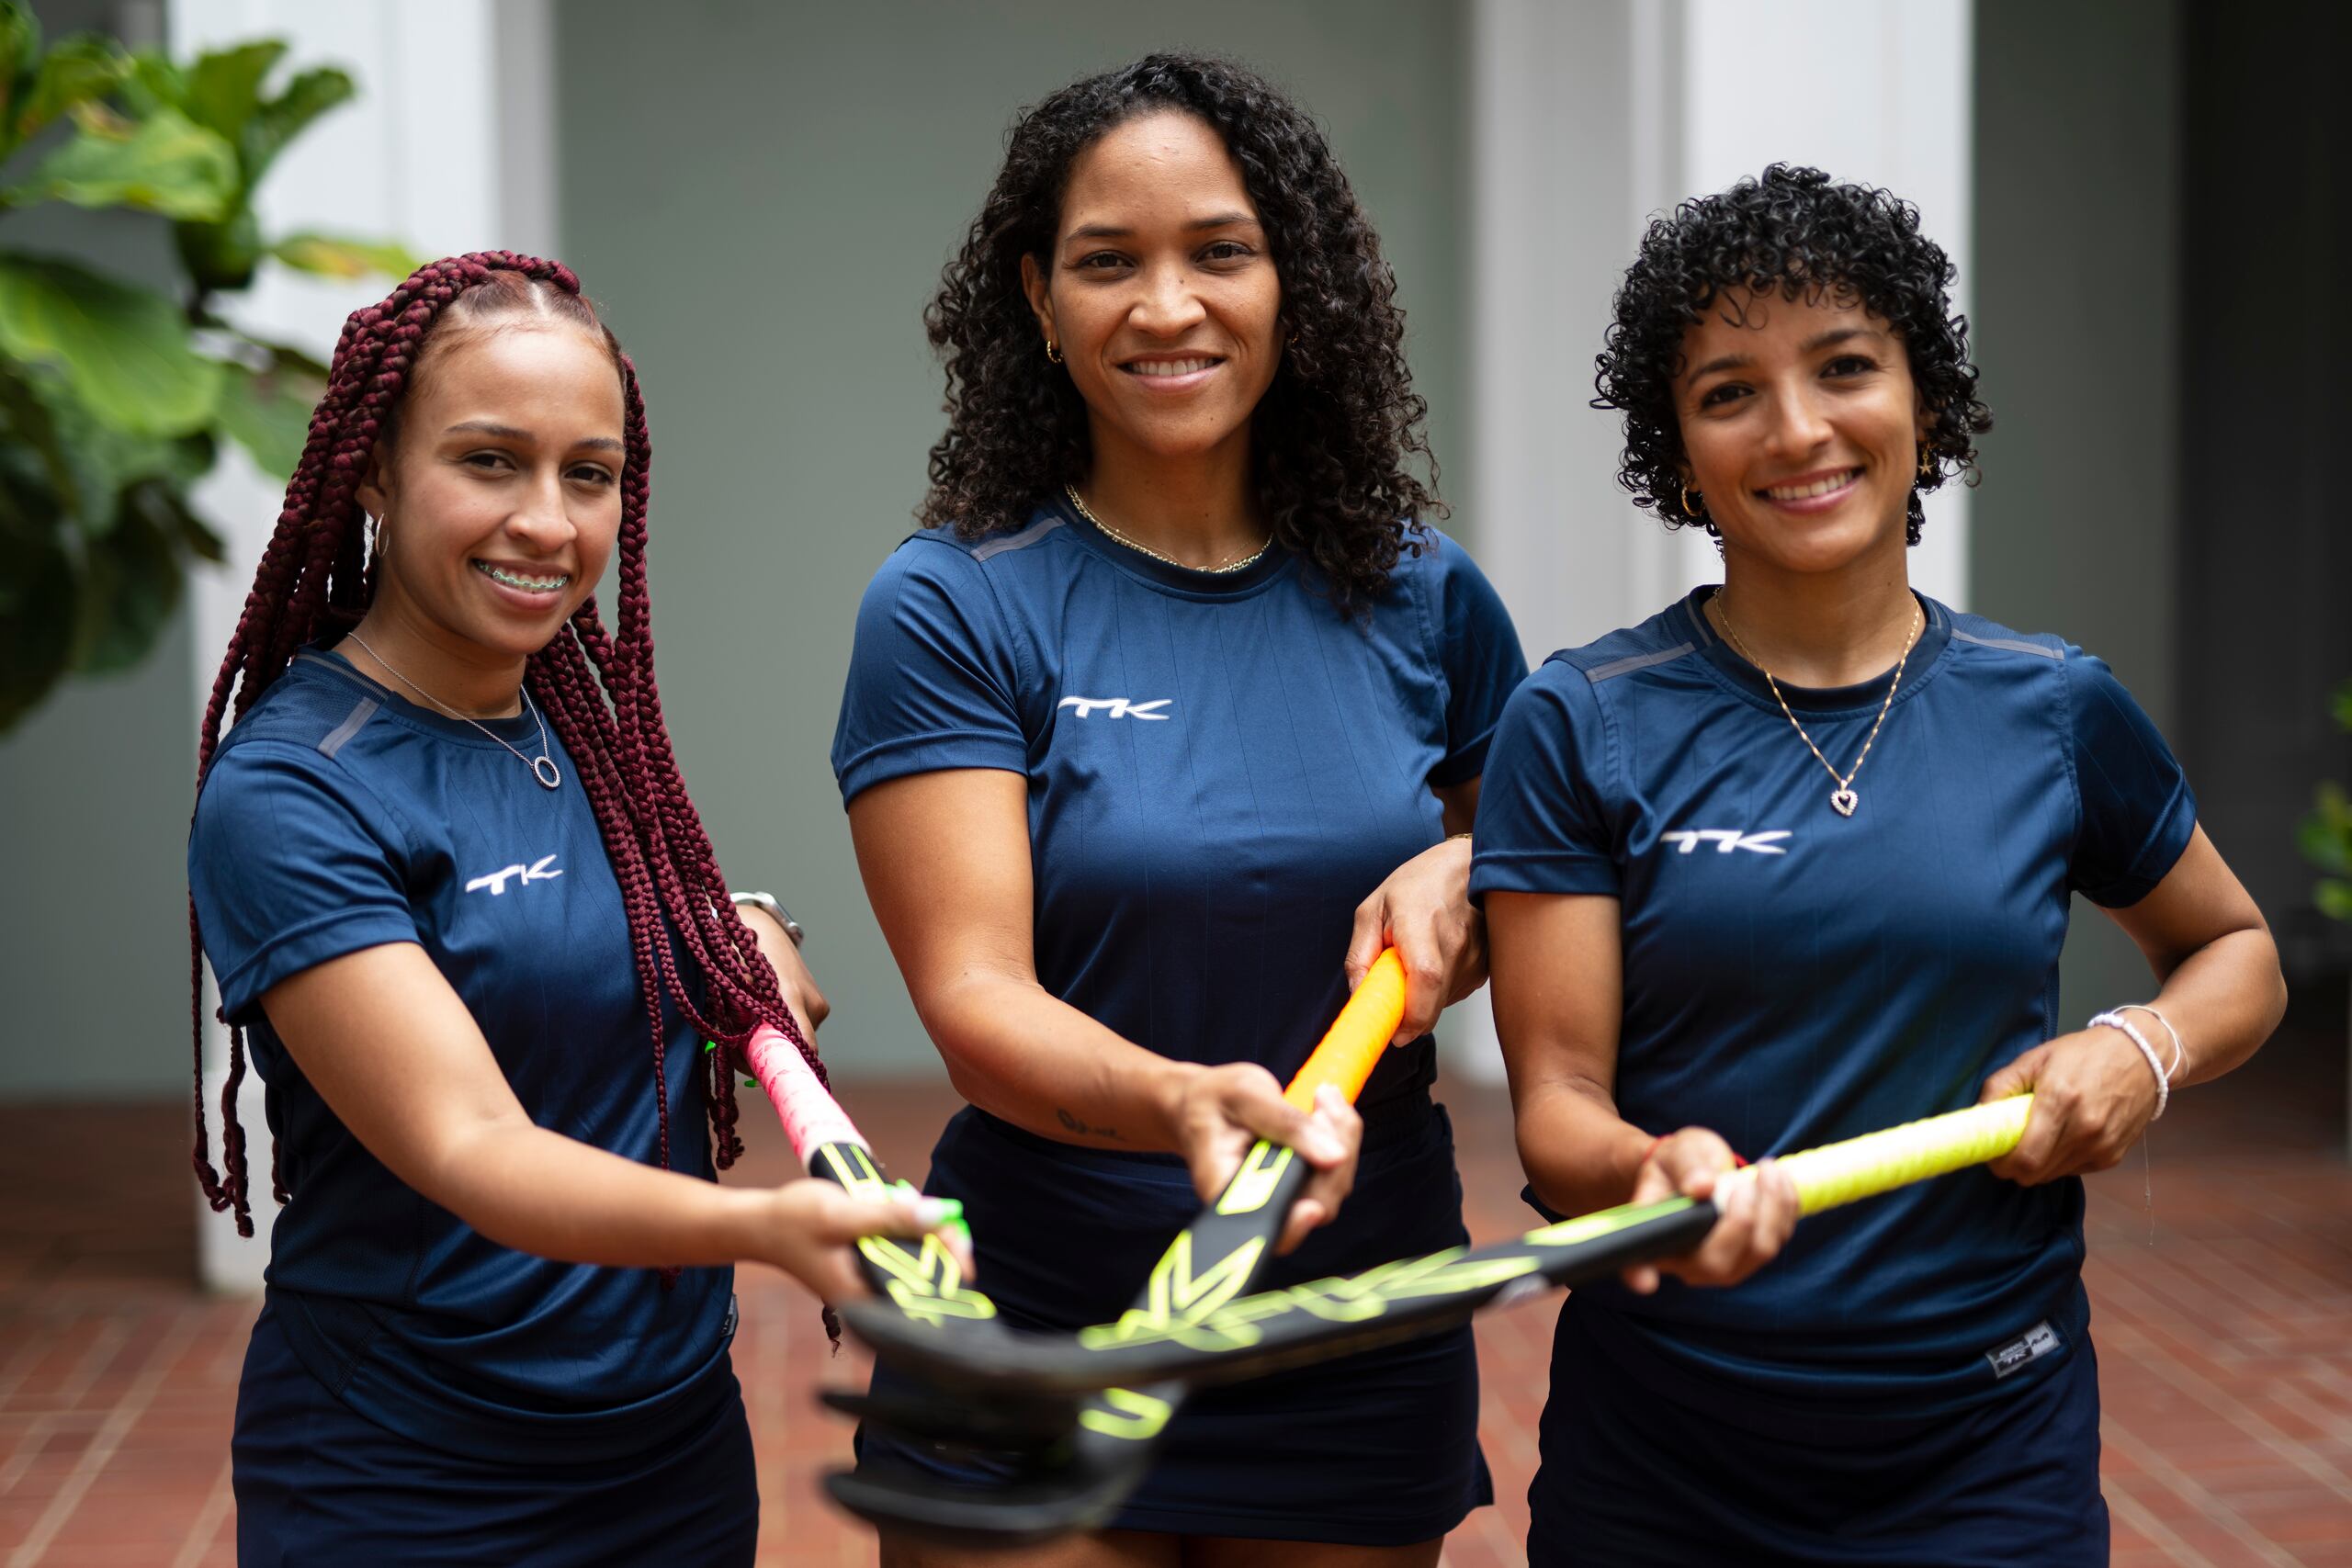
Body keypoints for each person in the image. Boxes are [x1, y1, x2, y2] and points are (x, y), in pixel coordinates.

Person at [1470, 164, 2288, 1564]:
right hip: (1668, 1453)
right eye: (1730, 391)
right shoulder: (1582, 718)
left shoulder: (2054, 706)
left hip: (1990, 1447)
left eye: (1845, 368)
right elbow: (1557, 1105)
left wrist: (2139, 1048)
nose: (1798, 431)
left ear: (1924, 394)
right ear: (1677, 441)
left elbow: (2239, 956)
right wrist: (1642, 1169)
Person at [832, 54, 1525, 1568]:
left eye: (1220, 251)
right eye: (1107, 262)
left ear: (1297, 284)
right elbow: (973, 1000)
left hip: (1355, 1303)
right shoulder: (954, 606)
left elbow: (1551, 900)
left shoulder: (1430, 599)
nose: (1167, 307)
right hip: (1044, 1310)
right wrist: (1185, 1105)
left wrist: (1477, 867)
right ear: (1036, 296)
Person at [186, 254, 963, 1565]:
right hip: (414, 1476)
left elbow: (585, 926)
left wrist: (737, 927)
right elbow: (472, 1142)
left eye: (587, 474)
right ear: (373, 467)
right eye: (490, 462)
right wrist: (772, 1229)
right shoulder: (291, 792)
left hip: (671, 1452)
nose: (548, 524)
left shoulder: (580, 725)